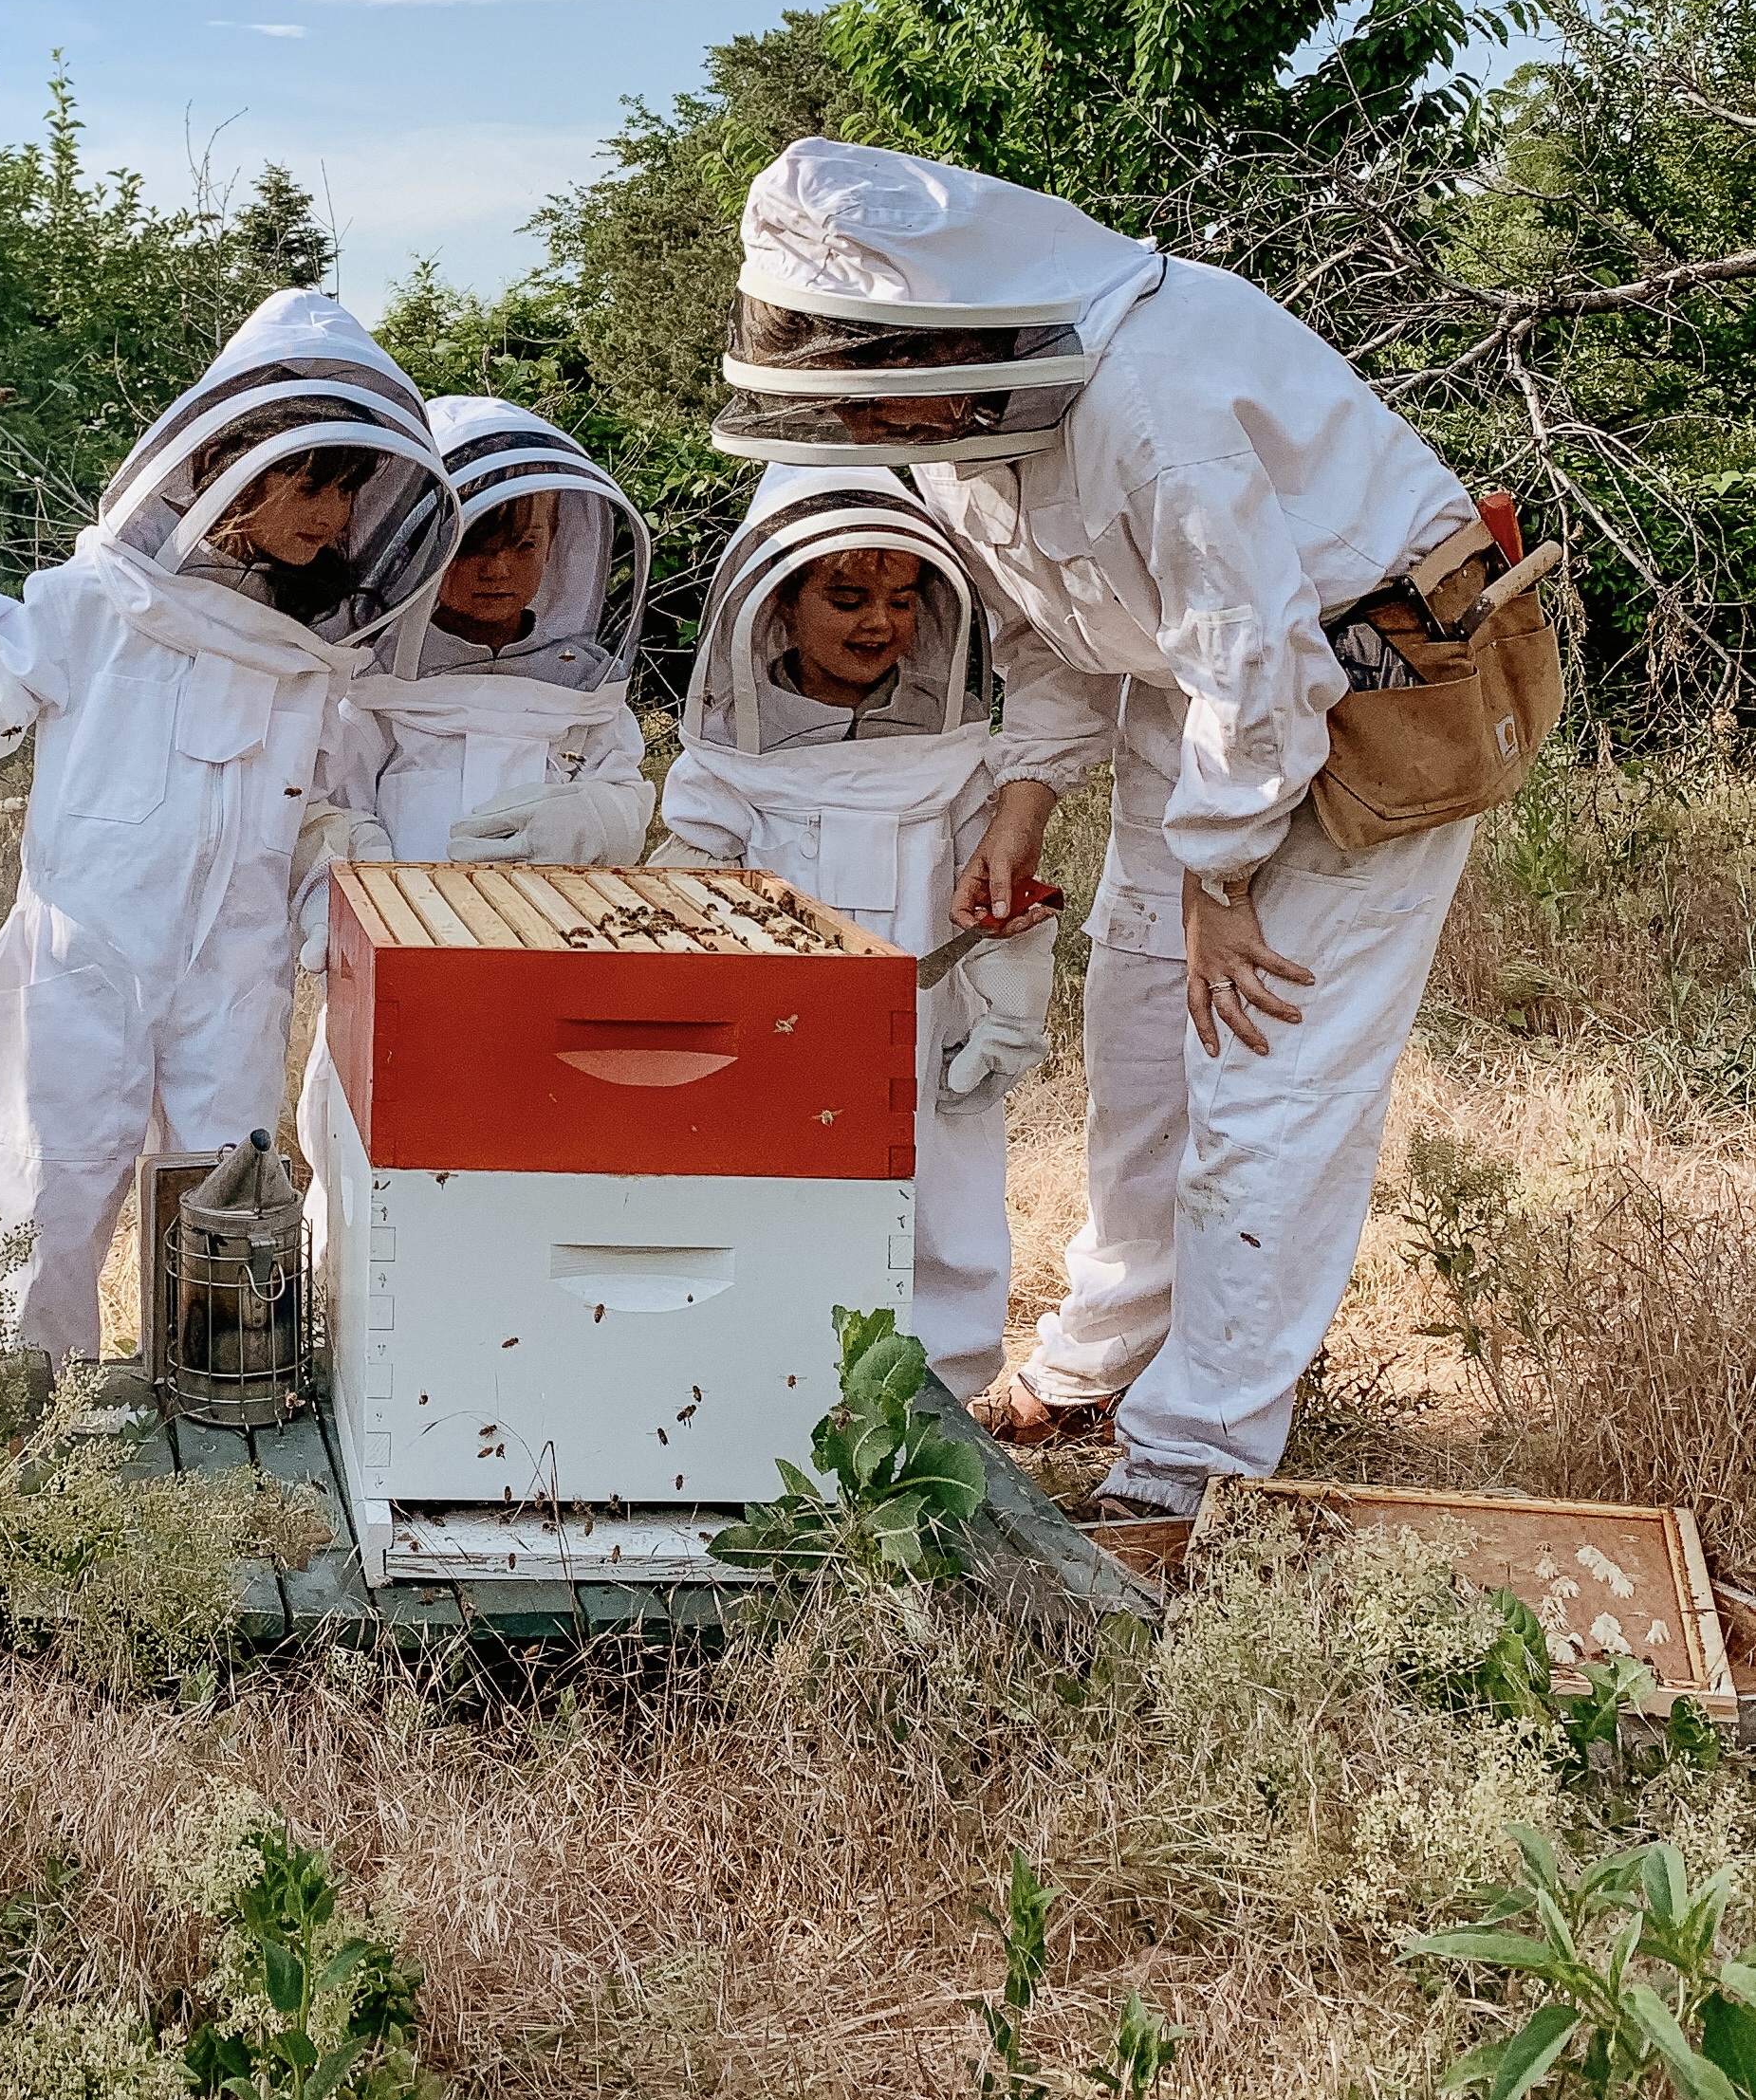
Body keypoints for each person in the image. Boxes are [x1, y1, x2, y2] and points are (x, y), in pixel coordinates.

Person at [711, 139, 1503, 1522]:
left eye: (880, 403)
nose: (881, 438)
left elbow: (1258, 654)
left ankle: (1187, 1468)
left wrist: (1220, 878)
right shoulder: (968, 415)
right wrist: (1025, 801)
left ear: (928, 335)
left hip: (1358, 698)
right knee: (1142, 1047)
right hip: (1188, 703)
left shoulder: (1152, 397)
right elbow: (1063, 626)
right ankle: (1101, 1360)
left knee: (1265, 1078)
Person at [0, 290, 461, 1360]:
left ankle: (211, 1432)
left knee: (229, 1200)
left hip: (235, 968)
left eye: (346, 489)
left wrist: (334, 889)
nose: (329, 514)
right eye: (307, 481)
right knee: (42, 1191)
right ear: (228, 470)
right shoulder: (101, 601)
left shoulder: (309, 655)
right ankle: (23, 1430)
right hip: (82, 956)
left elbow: (318, 808)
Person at [653, 467, 1109, 1403]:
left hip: (929, 1034)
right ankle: (762, 1398)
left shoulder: (958, 762)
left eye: (904, 599)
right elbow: (679, 904)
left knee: (944, 1210)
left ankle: (936, 1403)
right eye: (847, 596)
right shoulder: (725, 772)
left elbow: (1000, 903)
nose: (879, 624)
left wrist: (1014, 1005)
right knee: (766, 1210)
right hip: (769, 1046)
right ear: (775, 607)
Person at [296, 398, 654, 1197]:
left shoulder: (583, 686)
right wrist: (348, 867)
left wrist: (590, 817)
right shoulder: (374, 681)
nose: (496, 570)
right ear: (421, 551)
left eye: (523, 547)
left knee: (541, 1165)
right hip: (396, 979)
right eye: (470, 549)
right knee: (368, 1171)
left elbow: (626, 798)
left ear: (558, 549)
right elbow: (320, 805)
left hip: (558, 976)